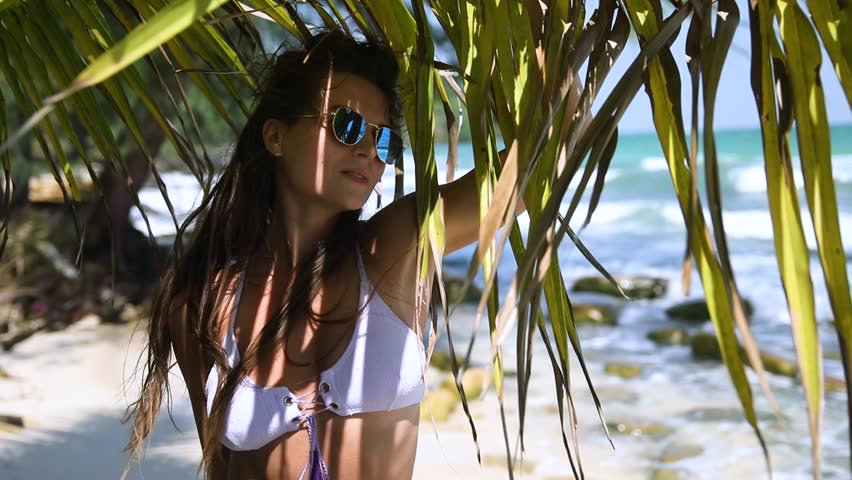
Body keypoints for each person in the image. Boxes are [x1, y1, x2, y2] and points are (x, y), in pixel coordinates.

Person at [123, 29, 485, 480]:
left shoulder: (394, 248)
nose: (369, 151)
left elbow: (529, 170)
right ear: (276, 136)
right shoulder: (199, 301)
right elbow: (220, 469)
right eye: (347, 125)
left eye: (385, 141)